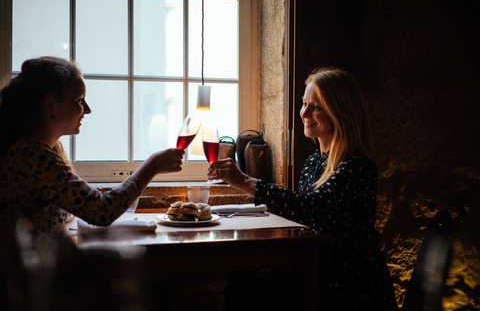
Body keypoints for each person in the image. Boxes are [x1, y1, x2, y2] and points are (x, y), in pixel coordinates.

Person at [0, 56, 184, 308]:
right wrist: (151, 166)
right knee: (158, 291)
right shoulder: (33, 157)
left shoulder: (48, 151)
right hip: (36, 288)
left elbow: (86, 203)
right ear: (51, 105)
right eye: (79, 101)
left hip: (44, 275)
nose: (87, 110)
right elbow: (100, 210)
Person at [208, 67, 398, 310]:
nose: (304, 113)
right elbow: (296, 213)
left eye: (316, 107)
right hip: (318, 272)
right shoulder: (313, 162)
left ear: (340, 113)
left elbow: (313, 208)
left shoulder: (358, 168)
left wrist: (245, 181)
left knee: (246, 291)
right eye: (304, 103)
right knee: (241, 285)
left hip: (350, 285)